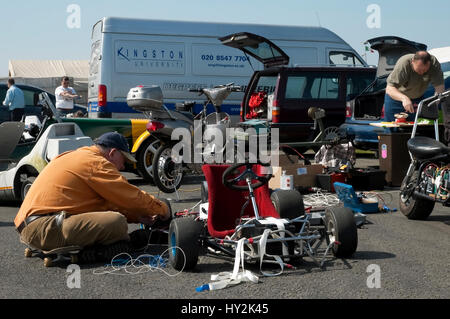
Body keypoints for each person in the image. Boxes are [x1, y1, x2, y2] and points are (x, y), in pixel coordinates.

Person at [14, 131, 170, 262]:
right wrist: (162, 209)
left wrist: (137, 217)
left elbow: (103, 204)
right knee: (117, 222)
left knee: (113, 217)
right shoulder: (96, 163)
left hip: (32, 226)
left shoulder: (78, 156)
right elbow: (130, 196)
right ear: (113, 153)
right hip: (45, 228)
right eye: (124, 160)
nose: (123, 167)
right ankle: (94, 253)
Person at [385, 51, 444, 122]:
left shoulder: (434, 64)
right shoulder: (404, 63)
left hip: (418, 99)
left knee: (417, 129)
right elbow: (389, 89)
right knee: (393, 129)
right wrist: (404, 99)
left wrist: (435, 103)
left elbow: (439, 87)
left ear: (429, 63)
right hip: (396, 99)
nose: (422, 72)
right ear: (412, 61)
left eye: (425, 70)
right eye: (419, 69)